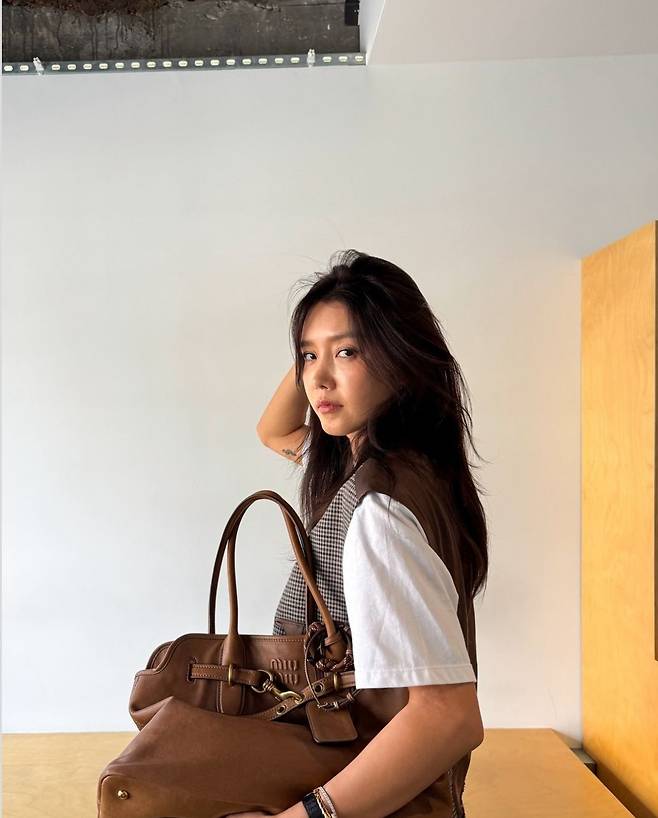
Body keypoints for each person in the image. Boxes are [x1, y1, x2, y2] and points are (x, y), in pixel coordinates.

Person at [232, 249, 488, 818]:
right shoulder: (409, 468)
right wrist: (325, 344)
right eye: (308, 356)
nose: (318, 379)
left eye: (348, 351)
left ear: (400, 359)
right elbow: (273, 430)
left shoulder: (378, 510)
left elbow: (449, 717)